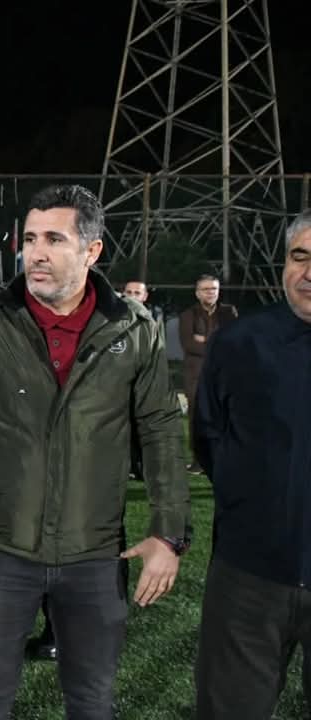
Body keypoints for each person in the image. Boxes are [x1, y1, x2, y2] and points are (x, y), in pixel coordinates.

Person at [0, 185, 190, 719]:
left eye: (53, 239)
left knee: (92, 701)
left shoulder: (133, 327)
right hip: (0, 548)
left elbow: (160, 429)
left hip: (95, 553)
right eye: (29, 239)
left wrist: (168, 532)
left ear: (92, 251)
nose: (36, 253)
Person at [192, 210, 311, 719]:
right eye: (300, 256)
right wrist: (253, 504)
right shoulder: (241, 342)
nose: (309, 272)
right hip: (249, 576)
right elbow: (207, 436)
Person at [178, 273, 236, 471]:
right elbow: (189, 344)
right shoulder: (187, 315)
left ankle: (223, 457)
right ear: (197, 293)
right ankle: (198, 460)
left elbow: (234, 341)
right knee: (197, 416)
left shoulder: (229, 312)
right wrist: (217, 341)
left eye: (214, 289)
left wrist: (205, 339)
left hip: (224, 374)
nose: (210, 292)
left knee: (224, 415)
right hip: (196, 375)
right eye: (206, 289)